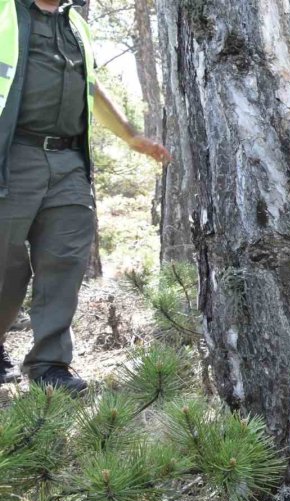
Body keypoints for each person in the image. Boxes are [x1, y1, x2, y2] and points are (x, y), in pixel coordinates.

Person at [0, 0, 170, 392]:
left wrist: (131, 136)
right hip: (12, 157)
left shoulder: (75, 23)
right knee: (5, 270)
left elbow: (89, 86)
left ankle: (50, 367)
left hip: (68, 162)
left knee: (64, 262)